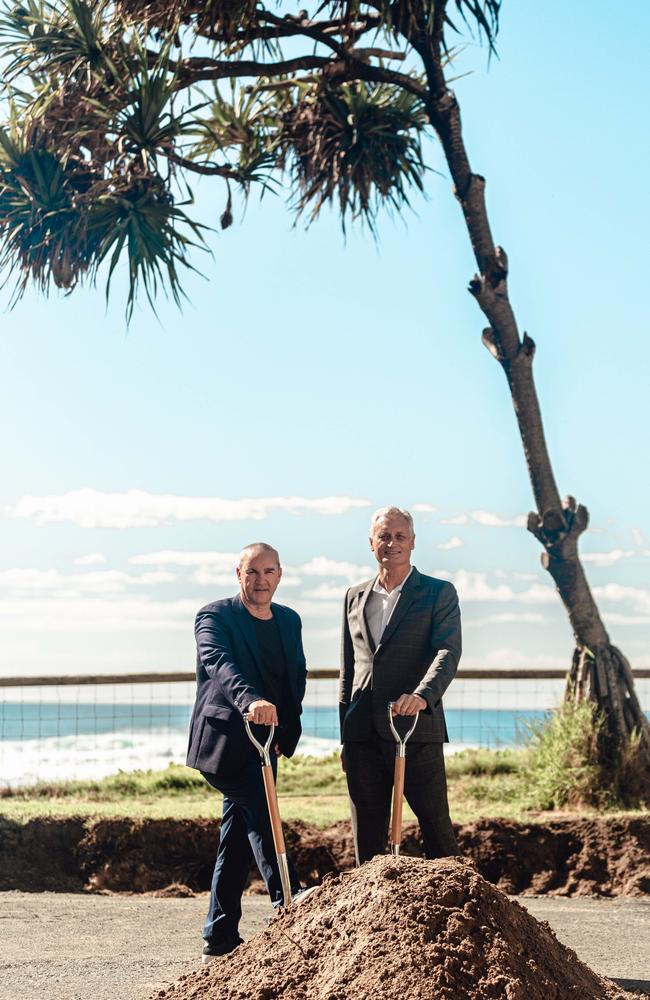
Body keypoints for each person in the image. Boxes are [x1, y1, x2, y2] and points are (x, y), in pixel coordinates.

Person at [186, 542, 308, 961]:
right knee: (260, 809)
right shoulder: (214, 616)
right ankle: (288, 900)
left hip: (265, 742)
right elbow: (219, 663)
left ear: (280, 574)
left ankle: (219, 937)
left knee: (235, 838)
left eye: (269, 572)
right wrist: (250, 701)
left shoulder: (289, 620)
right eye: (252, 572)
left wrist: (282, 725)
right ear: (238, 574)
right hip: (224, 742)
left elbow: (296, 676)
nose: (261, 581)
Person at [339, 506, 462, 865]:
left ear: (412, 542)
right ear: (371, 542)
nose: (391, 543)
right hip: (363, 734)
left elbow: (448, 650)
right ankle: (372, 918)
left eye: (399, 536)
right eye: (384, 536)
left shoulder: (438, 593)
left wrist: (422, 696)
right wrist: (346, 737)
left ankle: (457, 910)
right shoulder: (354, 596)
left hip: (414, 729)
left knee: (437, 829)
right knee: (367, 839)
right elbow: (349, 670)